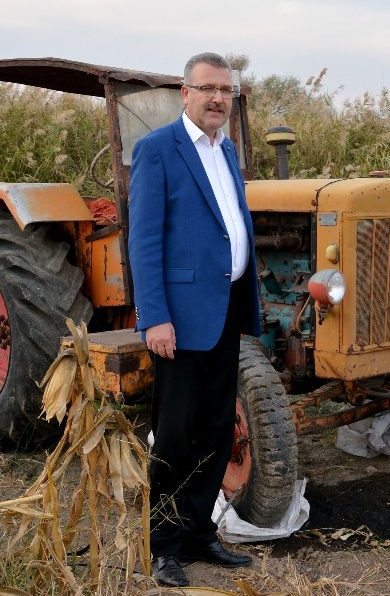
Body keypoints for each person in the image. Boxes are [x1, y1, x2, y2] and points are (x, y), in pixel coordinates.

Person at [128, 52, 261, 588]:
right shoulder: (158, 150)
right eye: (207, 89)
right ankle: (161, 545)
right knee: (176, 433)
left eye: (226, 90)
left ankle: (198, 533)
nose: (217, 99)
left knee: (213, 429)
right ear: (184, 93)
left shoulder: (225, 150)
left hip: (225, 308)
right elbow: (144, 243)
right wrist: (155, 317)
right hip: (179, 320)